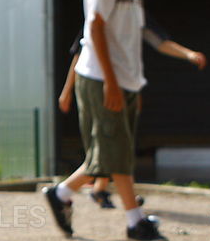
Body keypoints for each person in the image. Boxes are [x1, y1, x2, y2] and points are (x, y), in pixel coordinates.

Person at [44, 0, 207, 241]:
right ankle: (135, 222)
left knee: (109, 155)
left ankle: (60, 194)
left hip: (126, 80)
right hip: (101, 78)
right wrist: (113, 82)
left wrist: (175, 59)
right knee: (116, 153)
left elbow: (143, 33)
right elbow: (96, 30)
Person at [59, 11, 172, 210]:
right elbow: (79, 56)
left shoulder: (131, 20)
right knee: (109, 148)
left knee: (116, 147)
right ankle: (73, 191)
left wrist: (134, 91)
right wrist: (67, 91)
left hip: (122, 89)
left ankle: (93, 191)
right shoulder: (95, 21)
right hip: (99, 89)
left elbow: (136, 56)